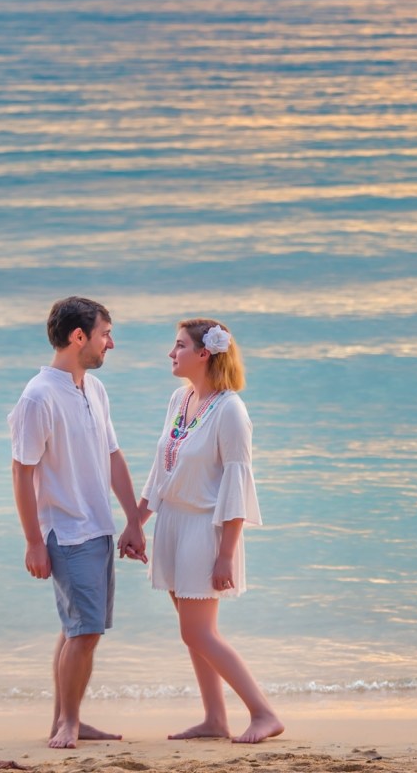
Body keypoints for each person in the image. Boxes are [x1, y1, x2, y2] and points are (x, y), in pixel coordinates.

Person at [125, 318, 284, 744]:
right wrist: (136, 523)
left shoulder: (231, 410)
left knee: (198, 631)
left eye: (179, 345)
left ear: (203, 354)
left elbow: (237, 483)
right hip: (172, 524)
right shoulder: (180, 398)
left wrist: (226, 554)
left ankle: (264, 713)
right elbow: (161, 472)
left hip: (205, 528)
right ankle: (215, 719)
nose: (170, 352)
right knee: (192, 632)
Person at [10, 296, 148, 749]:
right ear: (78, 337)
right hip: (67, 532)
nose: (111, 343)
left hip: (98, 527)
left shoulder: (94, 389)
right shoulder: (38, 397)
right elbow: (22, 472)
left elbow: (113, 457)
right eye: (105, 334)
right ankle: (69, 723)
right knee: (85, 632)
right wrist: (34, 542)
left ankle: (65, 719)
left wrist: (133, 521)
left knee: (78, 629)